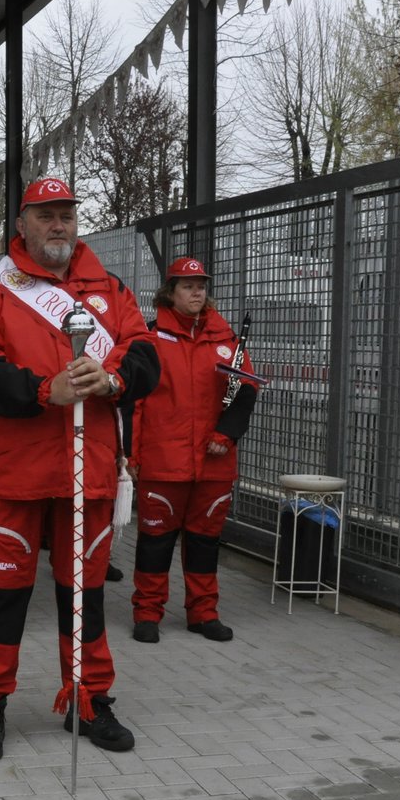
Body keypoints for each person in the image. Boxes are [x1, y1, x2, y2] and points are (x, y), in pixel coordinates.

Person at [0, 177, 161, 764]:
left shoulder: (110, 287)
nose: (58, 225)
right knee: (1, 597)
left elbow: (144, 353)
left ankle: (90, 700)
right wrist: (44, 390)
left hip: (86, 472)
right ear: (22, 223)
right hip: (13, 474)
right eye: (45, 215)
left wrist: (114, 378)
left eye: (66, 214)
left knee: (86, 598)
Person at [128, 256, 260, 645]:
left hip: (213, 462)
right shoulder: (148, 339)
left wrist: (227, 434)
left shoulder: (228, 341)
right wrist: (131, 457)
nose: (197, 291)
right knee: (155, 542)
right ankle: (147, 613)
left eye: (201, 285)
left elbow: (247, 391)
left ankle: (203, 613)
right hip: (162, 463)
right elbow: (133, 405)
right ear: (170, 292)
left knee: (204, 542)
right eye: (187, 286)